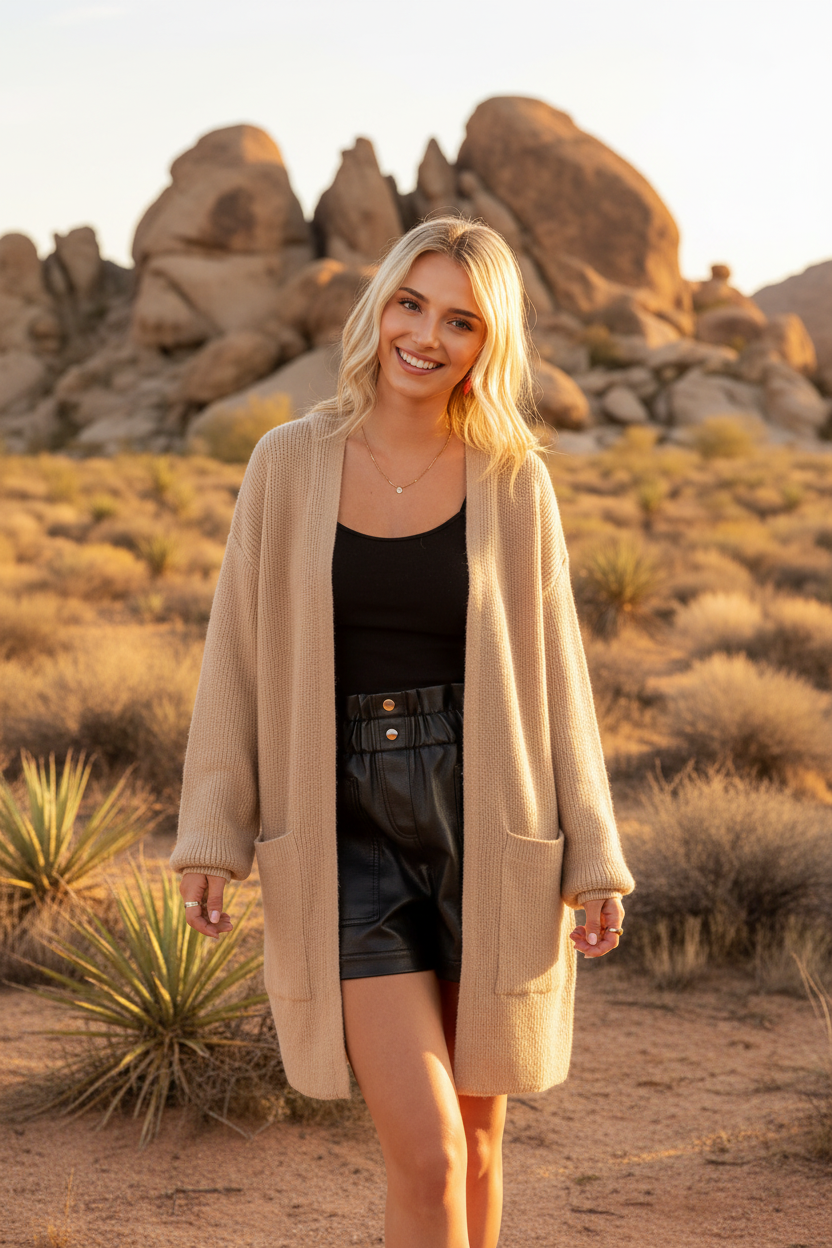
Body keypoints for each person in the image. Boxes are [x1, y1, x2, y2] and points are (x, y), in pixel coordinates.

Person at [171, 216, 635, 1248]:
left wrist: (594, 855)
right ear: (380, 306)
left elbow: (560, 677)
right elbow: (234, 658)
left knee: (476, 1152)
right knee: (423, 1154)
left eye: (460, 321)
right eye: (411, 304)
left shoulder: (514, 479)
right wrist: (210, 833)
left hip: (492, 825)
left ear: (488, 342)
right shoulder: (287, 463)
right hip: (346, 838)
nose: (426, 336)